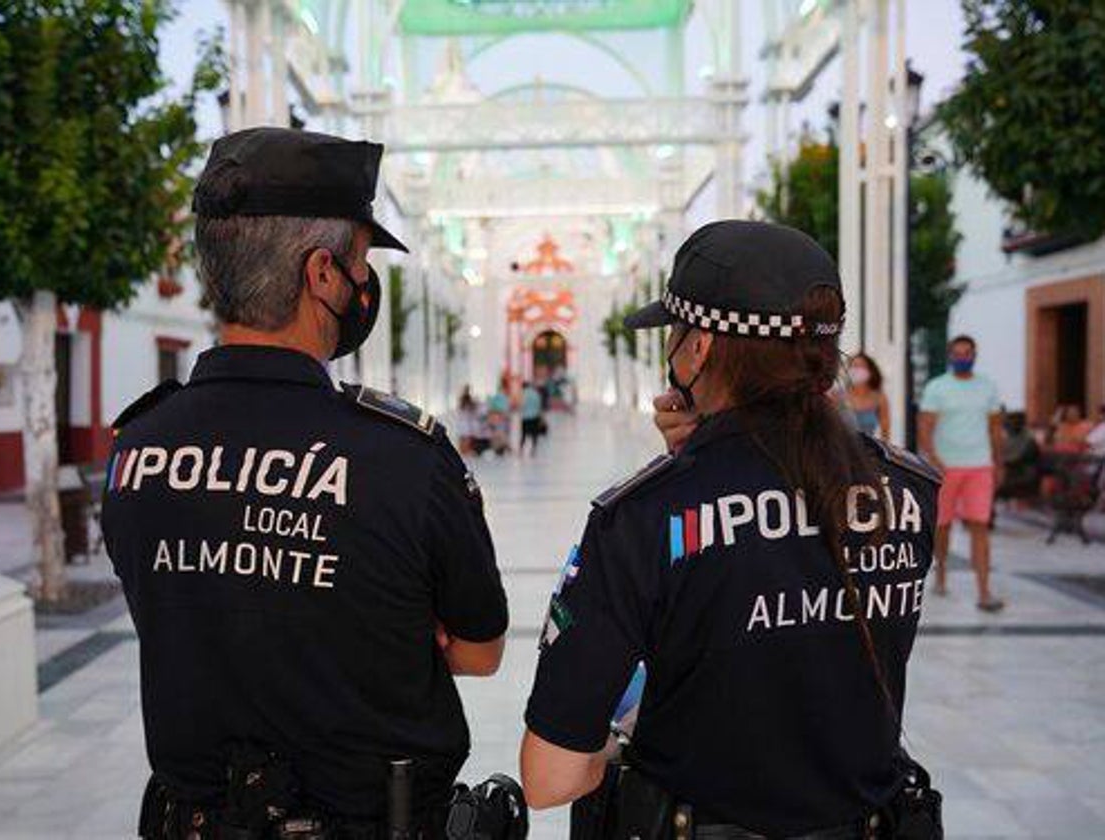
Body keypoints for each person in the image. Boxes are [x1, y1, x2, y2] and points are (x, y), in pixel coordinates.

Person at [101, 128, 508, 839]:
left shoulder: (137, 447)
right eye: (358, 263)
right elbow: (479, 651)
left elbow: (177, 607)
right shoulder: (404, 460)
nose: (361, 284)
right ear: (322, 274)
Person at [520, 221, 941, 838]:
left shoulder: (644, 517)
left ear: (702, 348)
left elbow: (550, 777)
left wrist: (694, 467)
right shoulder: (909, 492)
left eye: (676, 334)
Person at [918, 335, 1005, 611]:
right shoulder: (937, 387)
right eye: (957, 353)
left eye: (967, 352)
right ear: (949, 355)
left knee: (980, 526)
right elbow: (924, 427)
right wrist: (933, 458)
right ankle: (941, 572)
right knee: (943, 526)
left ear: (975, 354)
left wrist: (998, 462)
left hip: (980, 466)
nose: (962, 357)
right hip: (946, 468)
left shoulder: (987, 387)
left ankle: (984, 591)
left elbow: (994, 429)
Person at [842, 353, 891, 439]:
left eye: (860, 366)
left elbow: (885, 432)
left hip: (867, 449)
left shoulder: (879, 398)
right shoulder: (837, 396)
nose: (856, 369)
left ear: (870, 370)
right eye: (853, 366)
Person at [520, 380, 545, 456]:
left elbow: (522, 405)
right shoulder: (535, 393)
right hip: (535, 417)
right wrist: (541, 417)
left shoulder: (523, 394)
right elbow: (539, 406)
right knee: (534, 434)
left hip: (525, 417)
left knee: (524, 434)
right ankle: (533, 449)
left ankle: (521, 450)